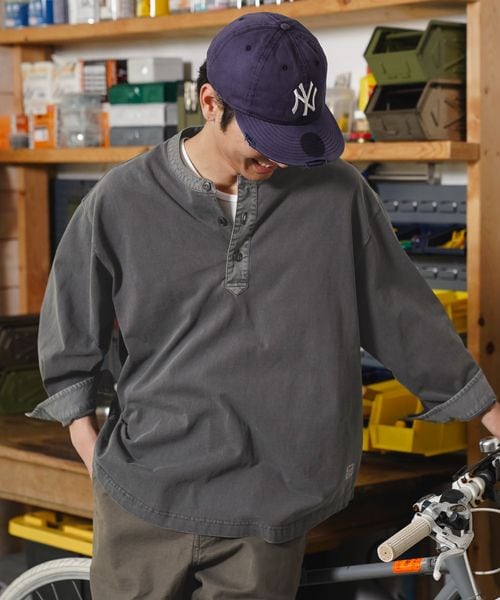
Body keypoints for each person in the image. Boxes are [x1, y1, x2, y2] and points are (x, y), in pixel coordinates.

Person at [30, 11, 500, 600]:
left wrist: (488, 410)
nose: (282, 155)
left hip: (272, 504)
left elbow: (401, 314)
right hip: (144, 497)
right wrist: (90, 447)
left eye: (296, 134)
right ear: (210, 103)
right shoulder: (120, 199)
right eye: (265, 135)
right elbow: (70, 330)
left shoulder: (337, 195)